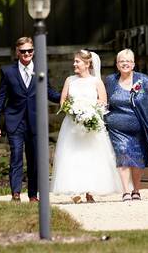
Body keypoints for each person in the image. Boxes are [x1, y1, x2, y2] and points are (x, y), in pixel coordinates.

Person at [0, 36, 61, 202]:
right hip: (15, 121)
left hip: (36, 122)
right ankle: (15, 193)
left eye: (30, 50)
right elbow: (0, 97)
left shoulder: (41, 69)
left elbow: (49, 92)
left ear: (33, 52)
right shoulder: (8, 72)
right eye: (23, 51)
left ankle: (32, 194)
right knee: (16, 155)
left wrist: (66, 97)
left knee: (34, 159)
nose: (27, 54)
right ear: (17, 52)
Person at [50, 50, 122, 202]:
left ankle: (90, 191)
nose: (74, 64)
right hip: (72, 125)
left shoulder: (96, 81)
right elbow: (63, 101)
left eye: (77, 61)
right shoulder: (70, 80)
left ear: (87, 64)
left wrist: (90, 113)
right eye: (74, 61)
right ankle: (75, 191)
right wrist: (73, 111)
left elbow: (103, 101)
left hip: (91, 125)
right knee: (73, 155)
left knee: (91, 156)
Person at [104, 48, 148, 201]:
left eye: (128, 61)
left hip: (140, 127)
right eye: (121, 61)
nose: (125, 64)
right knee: (122, 154)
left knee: (138, 159)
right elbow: (104, 101)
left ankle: (136, 190)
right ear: (117, 64)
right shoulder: (110, 81)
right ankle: (125, 191)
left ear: (133, 64)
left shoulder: (143, 80)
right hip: (117, 128)